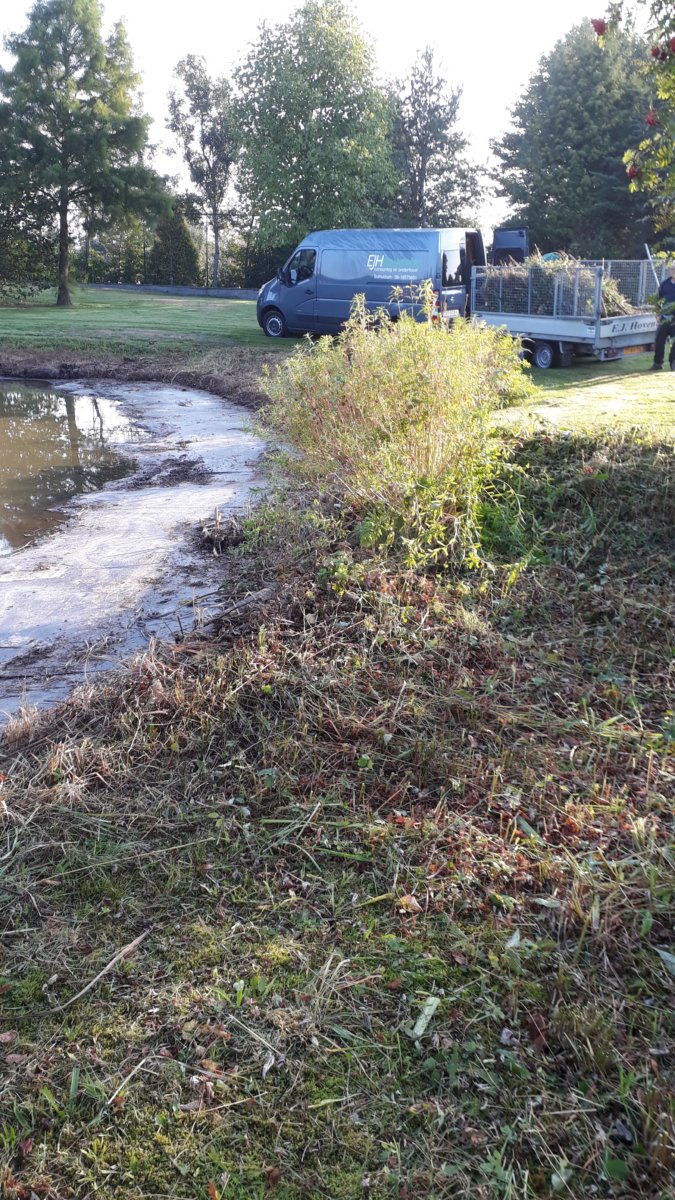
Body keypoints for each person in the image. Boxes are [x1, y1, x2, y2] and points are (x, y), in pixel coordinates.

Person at [650, 261, 675, 371]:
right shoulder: (665, 284)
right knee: (659, 341)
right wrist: (658, 314)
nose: (673, 271)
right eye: (672, 269)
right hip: (665, 318)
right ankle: (657, 363)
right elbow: (658, 301)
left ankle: (673, 363)